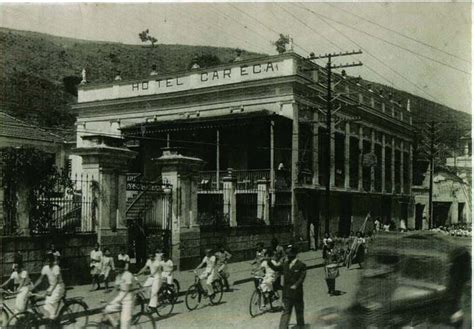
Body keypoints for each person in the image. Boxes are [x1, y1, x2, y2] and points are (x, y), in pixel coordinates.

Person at [268, 246, 306, 329]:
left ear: (294, 254)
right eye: (287, 254)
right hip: (287, 293)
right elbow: (276, 268)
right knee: (286, 312)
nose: (287, 255)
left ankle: (301, 326)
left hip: (297, 294)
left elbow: (301, 278)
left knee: (299, 311)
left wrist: (296, 285)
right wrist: (268, 261)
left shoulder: (301, 265)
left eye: (289, 254)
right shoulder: (285, 264)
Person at [33, 253, 65, 321]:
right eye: (47, 260)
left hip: (59, 286)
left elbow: (58, 280)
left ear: (53, 260)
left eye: (50, 260)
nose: (48, 262)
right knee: (45, 299)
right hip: (52, 286)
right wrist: (32, 287)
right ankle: (51, 316)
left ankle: (53, 318)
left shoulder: (56, 267)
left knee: (49, 302)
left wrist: (51, 290)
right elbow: (40, 279)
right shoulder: (45, 268)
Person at [104, 260, 135, 329]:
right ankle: (116, 324)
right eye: (116, 268)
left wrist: (119, 300)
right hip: (121, 295)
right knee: (107, 309)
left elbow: (127, 290)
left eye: (118, 268)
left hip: (128, 297)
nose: (116, 270)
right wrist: (107, 300)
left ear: (122, 268)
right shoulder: (118, 276)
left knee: (125, 323)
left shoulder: (128, 275)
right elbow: (115, 289)